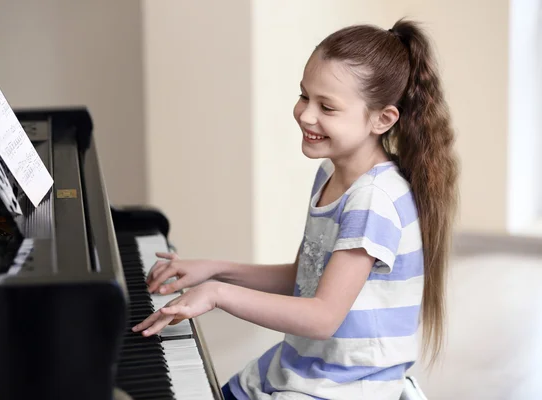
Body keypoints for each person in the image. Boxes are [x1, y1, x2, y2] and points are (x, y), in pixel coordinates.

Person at [132, 18, 459, 400]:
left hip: (345, 388)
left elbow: (322, 316)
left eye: (327, 107)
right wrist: (214, 269)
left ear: (382, 119)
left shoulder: (374, 200)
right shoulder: (330, 175)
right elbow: (302, 278)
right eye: (305, 96)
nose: (305, 115)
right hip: (302, 368)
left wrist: (218, 294)